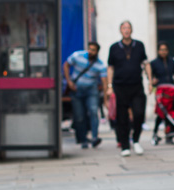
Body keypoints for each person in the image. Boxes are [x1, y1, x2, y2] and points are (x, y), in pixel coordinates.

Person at [107, 21, 151, 157]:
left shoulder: (139, 45)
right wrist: (109, 86)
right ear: (120, 30)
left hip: (136, 85)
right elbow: (110, 67)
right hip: (120, 86)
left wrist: (150, 81)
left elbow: (145, 63)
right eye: (124, 28)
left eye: (128, 28)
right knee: (122, 117)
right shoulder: (114, 47)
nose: (126, 30)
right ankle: (125, 145)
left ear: (131, 30)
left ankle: (136, 140)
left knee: (139, 113)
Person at [63, 41, 108, 149]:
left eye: (93, 50)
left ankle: (94, 137)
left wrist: (106, 98)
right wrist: (69, 81)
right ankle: (83, 139)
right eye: (89, 49)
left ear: (97, 52)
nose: (90, 51)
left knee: (93, 111)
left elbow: (104, 82)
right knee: (79, 116)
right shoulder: (77, 56)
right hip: (77, 90)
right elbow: (66, 65)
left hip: (91, 91)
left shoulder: (100, 65)